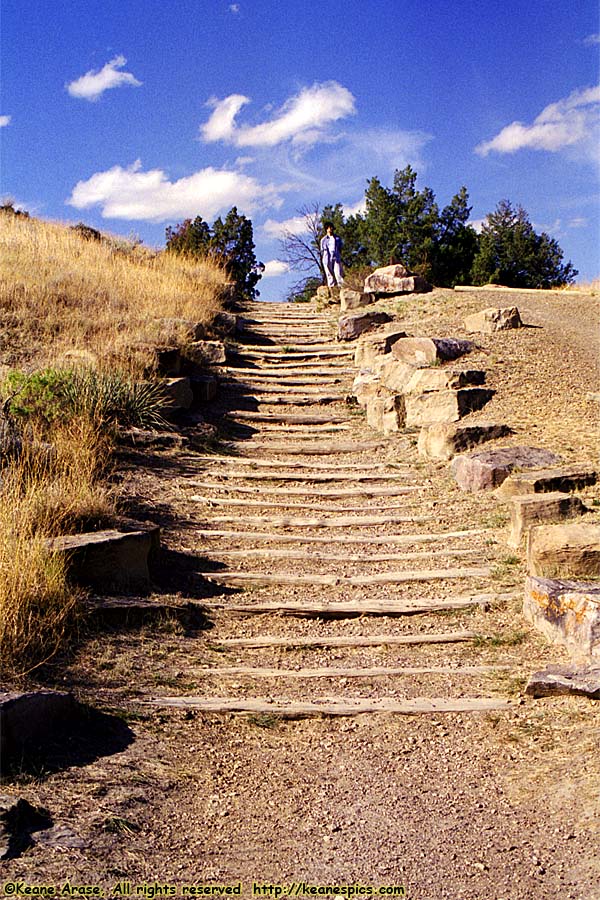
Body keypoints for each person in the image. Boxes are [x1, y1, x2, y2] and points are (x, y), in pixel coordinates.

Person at [320, 222, 344, 291]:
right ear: (326, 229)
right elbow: (322, 250)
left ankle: (342, 288)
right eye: (329, 228)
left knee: (338, 272)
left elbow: (340, 247)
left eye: (331, 227)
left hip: (336, 257)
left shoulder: (337, 238)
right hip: (327, 258)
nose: (330, 229)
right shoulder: (323, 240)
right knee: (329, 274)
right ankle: (331, 289)